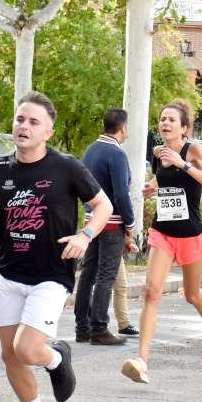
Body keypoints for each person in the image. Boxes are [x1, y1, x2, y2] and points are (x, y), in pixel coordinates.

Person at [0, 91, 112, 402]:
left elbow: (102, 205)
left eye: (33, 122)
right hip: (9, 275)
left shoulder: (67, 166)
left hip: (51, 275)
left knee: (27, 349)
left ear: (49, 132)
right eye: (20, 119)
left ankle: (57, 357)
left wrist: (85, 235)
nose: (24, 126)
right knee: (9, 354)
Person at [121, 100, 202, 384]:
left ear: (184, 127)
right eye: (162, 118)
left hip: (190, 233)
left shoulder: (193, 150)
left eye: (171, 120)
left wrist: (184, 164)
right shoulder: (158, 153)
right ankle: (142, 361)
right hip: (163, 232)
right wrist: (152, 189)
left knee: (192, 295)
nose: (165, 123)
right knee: (151, 292)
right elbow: (163, 181)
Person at [74, 107, 138, 346]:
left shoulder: (90, 150)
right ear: (122, 127)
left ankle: (83, 326)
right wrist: (130, 223)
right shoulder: (116, 153)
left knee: (88, 274)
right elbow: (121, 194)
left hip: (90, 221)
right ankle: (99, 328)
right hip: (111, 223)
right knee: (106, 275)